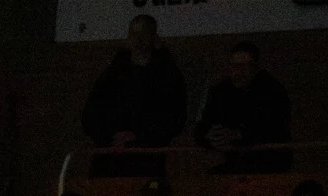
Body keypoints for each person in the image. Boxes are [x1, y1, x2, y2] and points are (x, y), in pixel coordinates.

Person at [80, 14, 186, 178]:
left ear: (154, 38)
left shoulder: (168, 75)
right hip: (110, 157)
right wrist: (110, 136)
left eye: (144, 34)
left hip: (148, 157)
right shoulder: (112, 74)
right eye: (134, 34)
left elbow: (174, 118)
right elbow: (91, 114)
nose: (138, 40)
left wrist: (139, 136)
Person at [195, 42, 291, 174]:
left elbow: (273, 128)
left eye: (245, 66)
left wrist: (239, 134)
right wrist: (210, 136)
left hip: (268, 164)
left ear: (256, 68)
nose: (238, 72)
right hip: (232, 163)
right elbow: (202, 126)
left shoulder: (273, 92)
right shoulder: (220, 92)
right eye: (234, 66)